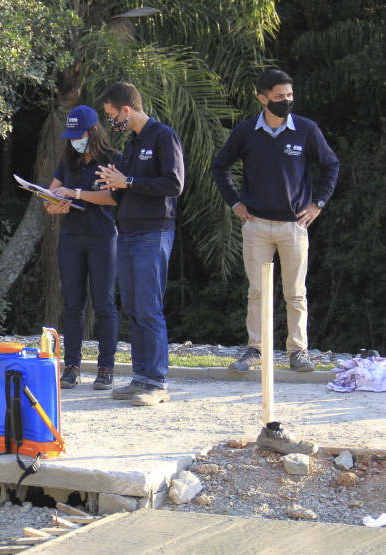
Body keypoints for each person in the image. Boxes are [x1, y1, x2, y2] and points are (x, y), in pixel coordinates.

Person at [213, 69, 339, 373]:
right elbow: (220, 167)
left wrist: (318, 204)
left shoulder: (306, 129)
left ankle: (298, 352)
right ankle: (256, 350)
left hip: (294, 226)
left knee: (295, 292)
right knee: (257, 292)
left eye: (290, 95)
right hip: (256, 225)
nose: (287, 100)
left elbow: (331, 165)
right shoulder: (245, 132)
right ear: (263, 98)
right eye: (280, 96)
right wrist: (236, 204)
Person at [94, 81, 185, 406]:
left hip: (154, 232)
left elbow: (174, 183)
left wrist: (128, 180)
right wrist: (113, 183)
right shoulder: (131, 144)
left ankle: (157, 382)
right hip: (128, 232)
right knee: (132, 308)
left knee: (149, 307)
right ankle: (140, 377)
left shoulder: (163, 136)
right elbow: (126, 190)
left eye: (112, 116)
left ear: (126, 110)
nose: (111, 122)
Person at [45, 105, 121, 391]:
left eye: (79, 136)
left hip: (102, 238)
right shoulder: (68, 161)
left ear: (93, 132)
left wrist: (76, 193)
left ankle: (106, 368)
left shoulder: (113, 160)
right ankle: (72, 367)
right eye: (72, 137)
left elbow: (113, 198)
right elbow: (49, 197)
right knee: (73, 305)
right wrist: (54, 206)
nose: (75, 141)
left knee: (104, 304)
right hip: (71, 239)